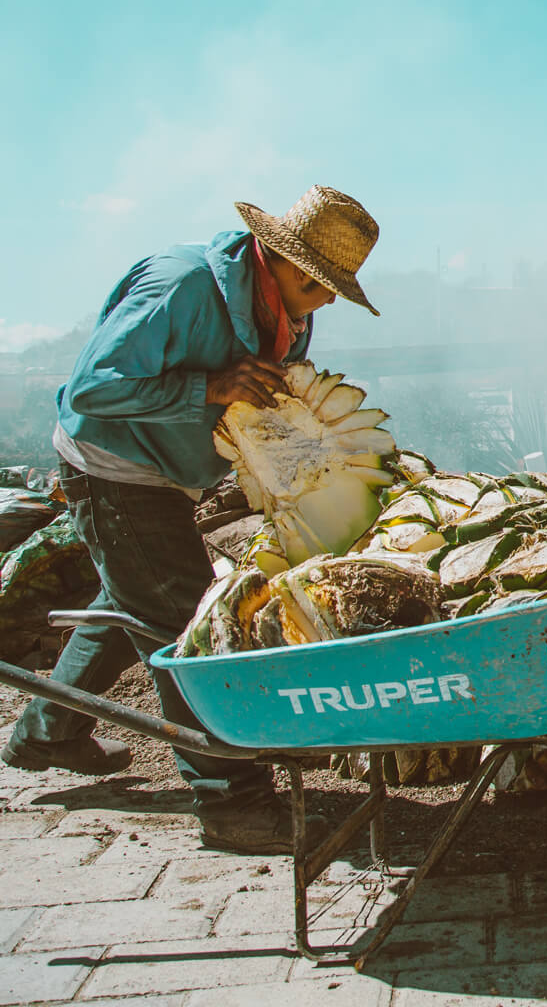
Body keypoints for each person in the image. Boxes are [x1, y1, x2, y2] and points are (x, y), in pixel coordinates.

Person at [1, 186, 381, 854]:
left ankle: (46, 733)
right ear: (282, 261)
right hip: (114, 466)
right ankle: (232, 802)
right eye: (321, 286)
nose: (326, 301)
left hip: (171, 472)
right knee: (184, 622)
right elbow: (91, 387)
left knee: (136, 597)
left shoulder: (284, 312)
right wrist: (211, 388)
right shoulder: (181, 286)